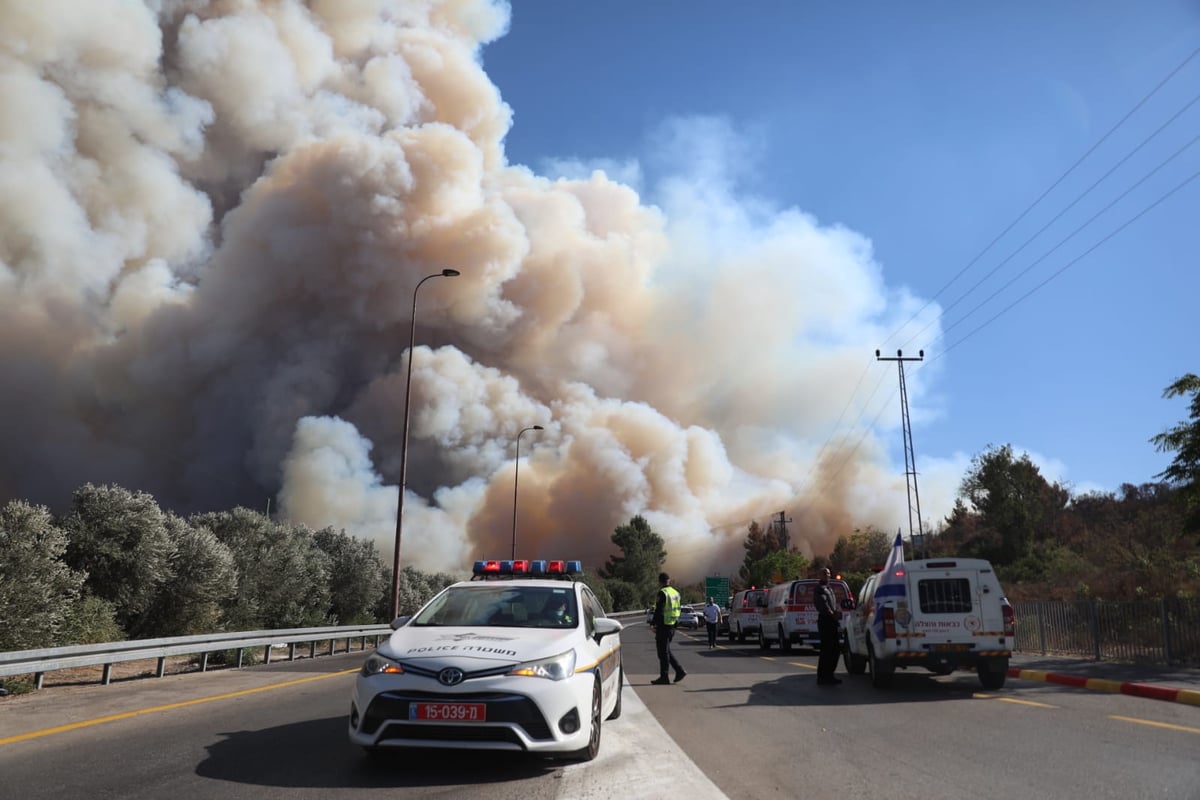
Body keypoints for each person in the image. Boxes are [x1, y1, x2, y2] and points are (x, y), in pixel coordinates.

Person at [650, 572, 686, 684]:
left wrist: (654, 623)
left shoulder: (663, 593)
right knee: (665, 651)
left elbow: (659, 610)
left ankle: (664, 676)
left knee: (662, 652)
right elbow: (679, 609)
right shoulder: (675, 593)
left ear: (660, 582)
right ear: (669, 581)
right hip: (672, 626)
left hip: (664, 626)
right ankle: (679, 671)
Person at [814, 567, 842, 685]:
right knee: (827, 649)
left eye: (828, 574)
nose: (827, 576)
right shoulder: (819, 589)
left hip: (831, 621)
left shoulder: (828, 588)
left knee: (834, 649)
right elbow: (823, 605)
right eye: (824, 574)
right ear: (820, 575)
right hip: (826, 621)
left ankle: (829, 675)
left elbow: (832, 604)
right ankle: (823, 677)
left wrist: (836, 612)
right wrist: (832, 614)